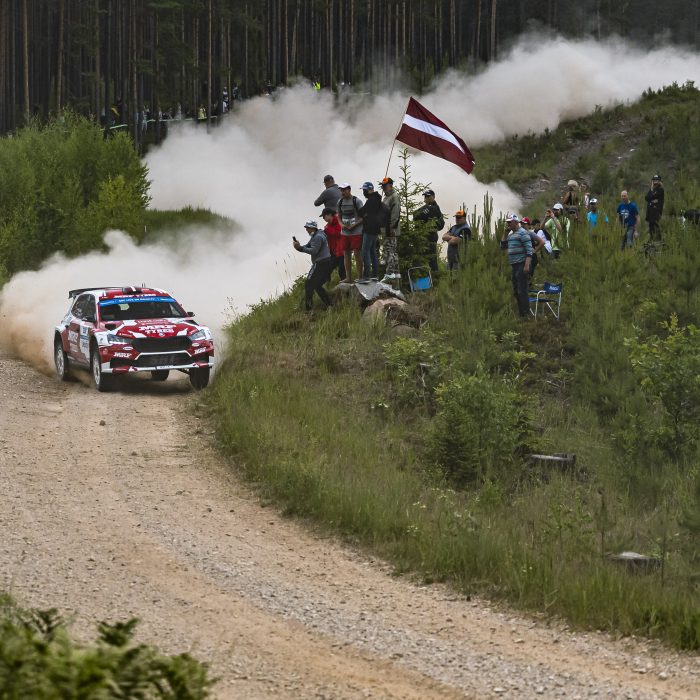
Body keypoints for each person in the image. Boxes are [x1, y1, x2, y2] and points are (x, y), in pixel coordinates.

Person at [293, 220, 333, 311]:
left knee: (309, 285)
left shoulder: (317, 237)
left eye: (307, 228)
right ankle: (329, 305)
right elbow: (308, 246)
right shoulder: (317, 234)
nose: (306, 230)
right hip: (325, 263)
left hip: (320, 264)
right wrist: (299, 247)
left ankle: (309, 310)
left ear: (312, 228)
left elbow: (314, 251)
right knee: (317, 285)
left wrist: (301, 248)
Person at [500, 214, 533, 318]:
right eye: (507, 222)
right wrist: (505, 233)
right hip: (514, 265)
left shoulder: (523, 233)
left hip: (522, 264)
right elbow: (502, 246)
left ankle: (525, 314)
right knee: (516, 291)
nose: (508, 224)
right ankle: (521, 313)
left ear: (516, 222)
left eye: (510, 222)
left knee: (522, 290)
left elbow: (529, 250)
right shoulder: (511, 235)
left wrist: (527, 265)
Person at [337, 182, 364, 283]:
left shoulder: (357, 201)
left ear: (349, 189)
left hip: (356, 232)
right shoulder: (340, 202)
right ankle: (348, 278)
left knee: (357, 254)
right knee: (346, 254)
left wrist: (354, 225)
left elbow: (363, 217)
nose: (342, 192)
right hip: (345, 233)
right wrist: (341, 224)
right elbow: (338, 216)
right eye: (341, 190)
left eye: (344, 190)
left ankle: (360, 276)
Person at [413, 189, 444, 272]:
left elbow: (418, 215)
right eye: (425, 196)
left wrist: (430, 225)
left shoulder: (434, 208)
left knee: (432, 260)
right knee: (422, 259)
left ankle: (435, 276)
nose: (426, 198)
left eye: (428, 196)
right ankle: (425, 275)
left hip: (430, 237)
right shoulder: (427, 207)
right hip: (422, 236)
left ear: (433, 197)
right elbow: (415, 215)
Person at [357, 181, 382, 280]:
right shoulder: (377, 198)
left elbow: (362, 211)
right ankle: (375, 274)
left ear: (370, 189)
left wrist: (362, 213)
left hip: (369, 228)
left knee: (365, 251)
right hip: (375, 228)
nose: (364, 192)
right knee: (372, 251)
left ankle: (367, 275)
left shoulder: (372, 200)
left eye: (365, 190)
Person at [379, 177, 401, 283]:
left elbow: (395, 214)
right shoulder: (386, 198)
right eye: (382, 186)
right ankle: (396, 273)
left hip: (391, 229)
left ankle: (389, 273)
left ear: (391, 185)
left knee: (390, 252)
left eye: (385, 185)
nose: (383, 188)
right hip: (386, 229)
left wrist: (392, 228)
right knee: (392, 252)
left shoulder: (394, 197)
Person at [321, 207, 345, 281]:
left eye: (324, 216)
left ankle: (346, 285)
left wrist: (328, 229)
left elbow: (339, 234)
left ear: (329, 214)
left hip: (342, 251)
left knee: (342, 270)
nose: (323, 218)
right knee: (328, 269)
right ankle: (327, 284)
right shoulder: (328, 225)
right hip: (334, 251)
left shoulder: (338, 221)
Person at [645, 174, 665, 241]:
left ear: (659, 181)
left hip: (656, 212)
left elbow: (652, 196)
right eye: (654, 180)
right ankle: (651, 240)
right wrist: (651, 190)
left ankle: (659, 240)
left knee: (656, 226)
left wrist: (651, 196)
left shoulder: (660, 190)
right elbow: (647, 198)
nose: (655, 182)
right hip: (650, 212)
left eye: (656, 180)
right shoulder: (652, 189)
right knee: (651, 227)